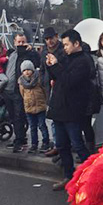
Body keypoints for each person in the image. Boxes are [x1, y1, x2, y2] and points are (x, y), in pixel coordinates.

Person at [46, 29, 94, 191]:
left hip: (73, 110)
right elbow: (57, 77)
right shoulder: (66, 57)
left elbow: (69, 81)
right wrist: (51, 65)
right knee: (62, 145)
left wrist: (57, 66)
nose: (64, 47)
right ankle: (69, 176)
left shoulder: (84, 61)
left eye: (67, 44)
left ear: (76, 44)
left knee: (78, 144)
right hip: (59, 108)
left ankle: (93, 175)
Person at [2, 33, 40, 153]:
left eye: (23, 42)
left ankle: (19, 140)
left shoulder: (29, 54)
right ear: (14, 42)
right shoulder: (11, 54)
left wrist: (31, 51)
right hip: (8, 89)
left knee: (19, 116)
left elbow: (36, 64)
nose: (21, 44)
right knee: (13, 116)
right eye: (19, 42)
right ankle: (20, 137)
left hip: (19, 90)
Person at [40, 27, 65, 156]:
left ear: (56, 37)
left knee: (61, 118)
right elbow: (42, 69)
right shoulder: (44, 52)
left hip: (60, 86)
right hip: (48, 87)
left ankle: (63, 145)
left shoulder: (62, 51)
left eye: (51, 38)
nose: (49, 41)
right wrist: (43, 81)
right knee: (52, 118)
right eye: (47, 39)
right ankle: (57, 144)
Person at [18, 60, 50, 154]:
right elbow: (22, 93)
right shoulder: (21, 82)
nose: (27, 72)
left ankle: (45, 142)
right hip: (29, 107)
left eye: (28, 69)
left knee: (42, 125)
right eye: (24, 70)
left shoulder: (39, 78)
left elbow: (44, 91)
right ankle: (34, 144)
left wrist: (45, 102)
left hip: (40, 106)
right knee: (32, 127)